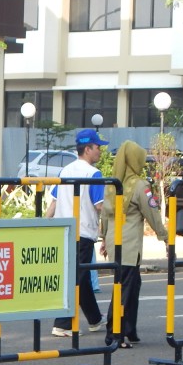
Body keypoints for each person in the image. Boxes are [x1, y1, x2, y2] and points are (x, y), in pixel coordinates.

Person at [99, 140, 167, 348]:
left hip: (114, 241)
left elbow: (104, 214)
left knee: (131, 284)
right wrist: (164, 236)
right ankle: (115, 333)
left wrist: (104, 238)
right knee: (125, 289)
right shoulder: (140, 186)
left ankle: (129, 329)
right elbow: (152, 213)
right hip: (128, 245)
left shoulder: (113, 184)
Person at [45, 128, 106, 337]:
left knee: (81, 276)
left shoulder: (65, 171)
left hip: (66, 231)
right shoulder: (93, 174)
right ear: (87, 149)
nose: (100, 151)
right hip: (84, 232)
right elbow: (100, 206)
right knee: (76, 277)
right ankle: (62, 324)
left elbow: (53, 203)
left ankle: (95, 319)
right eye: (98, 147)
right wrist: (109, 230)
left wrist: (45, 225)